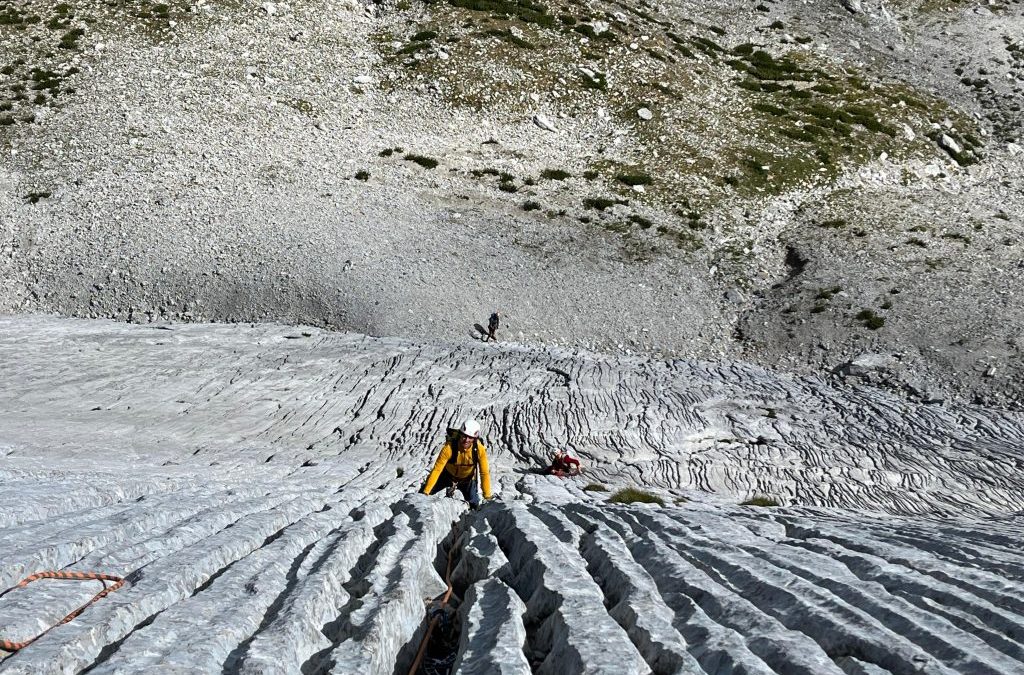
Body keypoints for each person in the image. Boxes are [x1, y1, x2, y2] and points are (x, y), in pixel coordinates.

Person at [422, 418, 492, 507]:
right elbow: (437, 470)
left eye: (470, 437)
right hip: (447, 476)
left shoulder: (479, 450)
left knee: (474, 505)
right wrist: (426, 491)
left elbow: (484, 473)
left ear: (474, 438)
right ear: (460, 434)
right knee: (423, 495)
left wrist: (487, 496)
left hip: (467, 480)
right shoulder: (449, 448)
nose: (466, 440)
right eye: (464, 436)